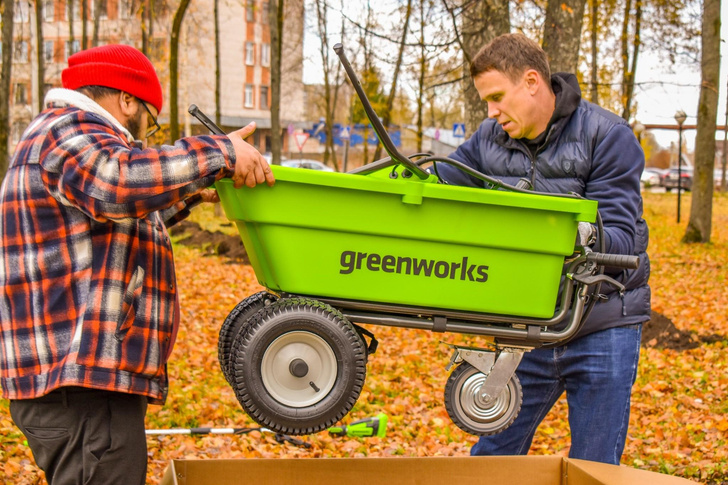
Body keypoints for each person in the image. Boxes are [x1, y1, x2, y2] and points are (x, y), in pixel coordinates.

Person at [0, 44, 274, 484]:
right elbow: (116, 181)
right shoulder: (67, 131)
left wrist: (190, 190)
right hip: (80, 384)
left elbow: (107, 225)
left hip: (82, 384)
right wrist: (217, 152)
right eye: (149, 116)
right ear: (128, 100)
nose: (146, 130)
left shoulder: (64, 137)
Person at [436, 34, 650, 464]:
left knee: (594, 467)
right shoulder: (487, 140)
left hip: (601, 323)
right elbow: (439, 182)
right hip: (528, 327)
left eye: (497, 97)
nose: (492, 112)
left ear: (532, 81)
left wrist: (549, 228)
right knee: (491, 458)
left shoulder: (607, 136)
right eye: (486, 102)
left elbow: (621, 240)